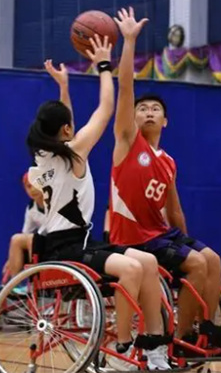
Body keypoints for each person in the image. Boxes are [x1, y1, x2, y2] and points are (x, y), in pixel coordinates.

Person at [26, 32, 170, 371]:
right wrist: (104, 65)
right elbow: (105, 110)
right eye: (69, 126)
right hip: (64, 250)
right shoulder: (72, 152)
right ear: (65, 131)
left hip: (72, 243)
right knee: (132, 267)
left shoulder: (43, 158)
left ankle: (154, 345)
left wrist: (64, 88)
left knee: (147, 262)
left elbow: (67, 126)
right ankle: (122, 350)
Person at [107, 7, 221, 347]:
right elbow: (126, 87)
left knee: (211, 259)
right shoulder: (128, 142)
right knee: (198, 264)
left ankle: (208, 329)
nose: (147, 112)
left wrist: (184, 240)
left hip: (161, 234)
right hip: (133, 239)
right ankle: (181, 339)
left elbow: (174, 212)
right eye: (142, 109)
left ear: (166, 121)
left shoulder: (169, 162)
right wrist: (128, 42)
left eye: (155, 109)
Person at [2, 173, 46, 281]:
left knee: (32, 239)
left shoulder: (54, 202)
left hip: (58, 238)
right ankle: (15, 282)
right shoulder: (31, 208)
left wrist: (35, 237)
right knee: (16, 239)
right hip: (41, 241)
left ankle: (34, 280)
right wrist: (10, 260)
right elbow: (25, 232)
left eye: (35, 185)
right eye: (29, 187)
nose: (32, 190)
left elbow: (50, 226)